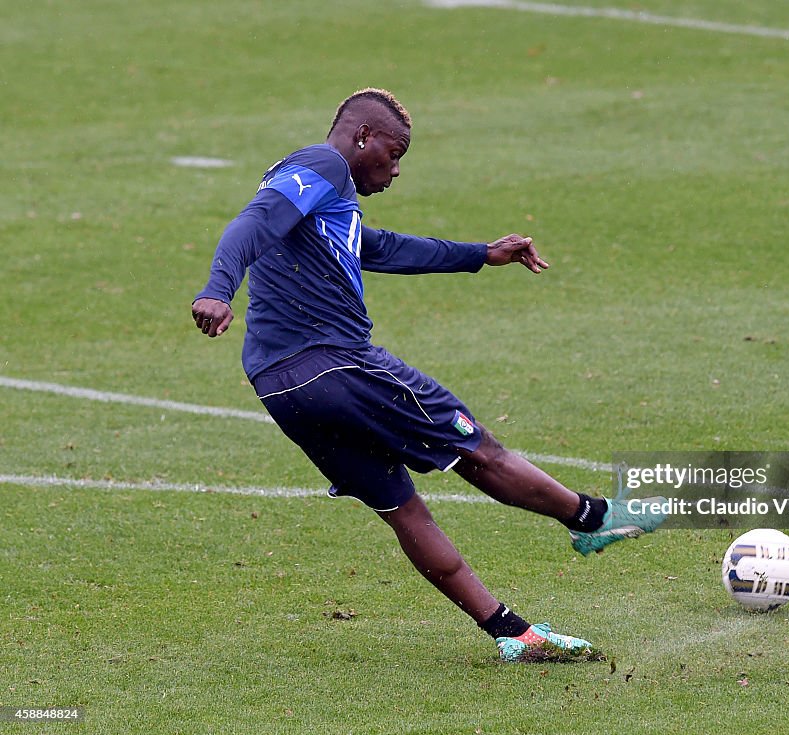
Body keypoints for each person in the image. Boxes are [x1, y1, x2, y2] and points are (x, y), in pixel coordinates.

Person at [191, 88, 666, 662]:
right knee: (477, 447)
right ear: (363, 137)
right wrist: (218, 289)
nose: (394, 171)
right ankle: (592, 518)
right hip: (335, 364)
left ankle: (513, 636)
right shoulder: (323, 165)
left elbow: (378, 247)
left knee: (402, 508)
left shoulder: (325, 202)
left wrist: (479, 254)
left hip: (280, 385)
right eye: (393, 155)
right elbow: (252, 223)